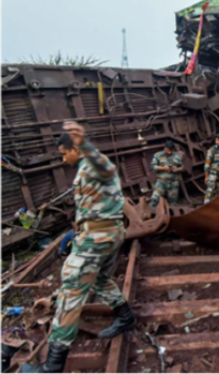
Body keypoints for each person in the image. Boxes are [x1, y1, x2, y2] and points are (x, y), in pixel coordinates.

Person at [21, 122, 131, 373]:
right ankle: (126, 317)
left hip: (98, 237)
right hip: (106, 233)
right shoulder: (84, 168)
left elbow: (107, 168)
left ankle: (53, 366)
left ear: (76, 149)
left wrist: (85, 144)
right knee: (101, 279)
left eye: (64, 152)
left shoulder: (94, 163)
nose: (63, 158)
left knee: (71, 291)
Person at [149, 141, 183, 207]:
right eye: (168, 150)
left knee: (173, 202)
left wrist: (177, 169)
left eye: (171, 151)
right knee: (154, 199)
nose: (169, 152)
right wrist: (163, 168)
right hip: (161, 182)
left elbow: (182, 167)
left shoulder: (177, 156)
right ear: (165, 148)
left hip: (173, 183)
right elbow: (152, 166)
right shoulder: (158, 155)